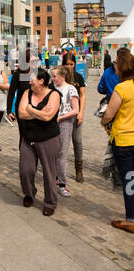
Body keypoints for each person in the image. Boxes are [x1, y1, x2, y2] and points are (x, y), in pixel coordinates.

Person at [18, 68, 61, 216]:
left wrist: (30, 109)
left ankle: (50, 202)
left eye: (32, 79)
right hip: (28, 138)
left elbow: (48, 117)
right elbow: (21, 114)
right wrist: (38, 113)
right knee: (25, 170)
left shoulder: (54, 95)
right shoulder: (27, 93)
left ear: (42, 81)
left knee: (49, 172)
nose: (30, 82)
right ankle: (29, 194)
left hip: (48, 139)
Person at [101, 50, 134, 233]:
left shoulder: (122, 88)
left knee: (130, 179)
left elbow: (109, 114)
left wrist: (104, 122)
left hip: (124, 140)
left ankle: (131, 218)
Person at [51, 66, 79, 197]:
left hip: (65, 123)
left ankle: (62, 183)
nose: (53, 78)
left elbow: (75, 110)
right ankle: (53, 178)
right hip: (53, 123)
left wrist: (60, 117)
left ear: (62, 76)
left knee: (62, 153)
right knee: (52, 151)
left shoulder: (71, 89)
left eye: (55, 76)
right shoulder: (53, 88)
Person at [62, 52, 86, 183]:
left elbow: (83, 95)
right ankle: (59, 169)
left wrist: (81, 112)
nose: (69, 66)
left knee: (77, 141)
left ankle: (79, 170)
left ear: (75, 65)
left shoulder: (79, 77)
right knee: (61, 143)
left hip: (76, 115)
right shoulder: (59, 77)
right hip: (63, 115)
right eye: (67, 64)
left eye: (71, 64)